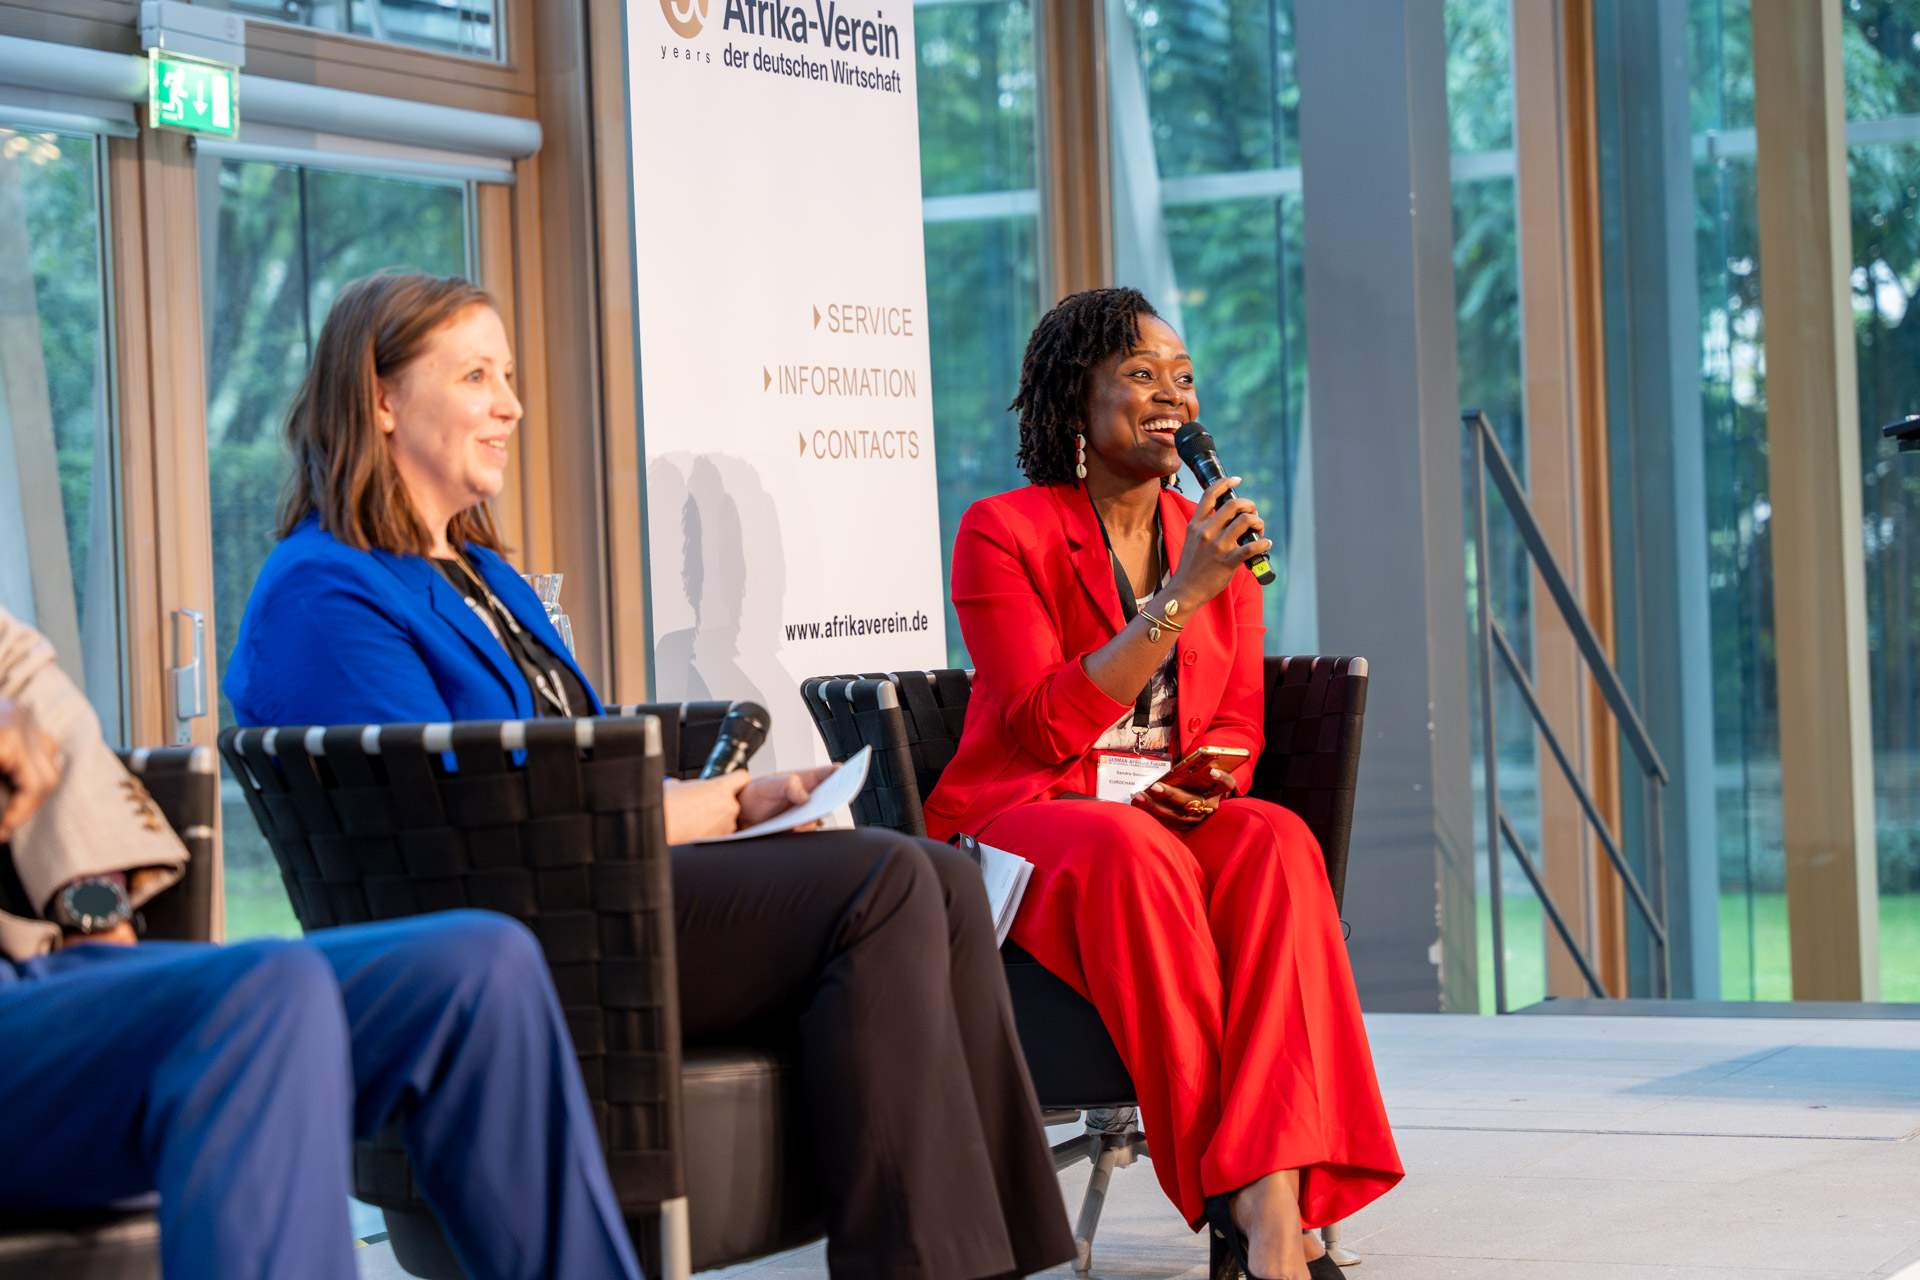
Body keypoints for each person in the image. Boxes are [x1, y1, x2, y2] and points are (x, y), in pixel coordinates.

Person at [224, 271, 1074, 1280]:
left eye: (508, 375)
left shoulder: (481, 573)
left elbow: (565, 740)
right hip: (520, 937)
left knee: (933, 873)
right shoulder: (326, 590)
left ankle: (1004, 1262)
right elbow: (449, 809)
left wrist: (746, 804)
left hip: (591, 886)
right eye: (477, 375)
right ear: (378, 398)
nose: (511, 405)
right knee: (883, 882)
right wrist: (673, 811)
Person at [923, 288, 1403, 1280]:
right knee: (1129, 846)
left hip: (1152, 817)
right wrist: (1181, 595)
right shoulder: (1002, 531)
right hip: (1029, 818)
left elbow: (1235, 723)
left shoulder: (1209, 531)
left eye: (1182, 378)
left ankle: (1265, 1199)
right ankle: (1242, 1192)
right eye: (1140, 375)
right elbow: (1043, 722)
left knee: (1275, 841)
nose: (1171, 396)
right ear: (1075, 405)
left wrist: (1208, 785)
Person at [0, 606, 643, 1280]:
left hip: (41, 985)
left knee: (481, 969)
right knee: (262, 992)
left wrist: (94, 916)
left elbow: (28, 684)